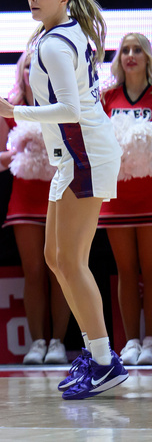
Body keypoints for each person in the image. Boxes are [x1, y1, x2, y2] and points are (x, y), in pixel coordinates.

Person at [0, 0, 127, 400]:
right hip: (73, 153)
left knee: (72, 262)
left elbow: (68, 109)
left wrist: (11, 111)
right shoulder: (68, 28)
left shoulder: (55, 46)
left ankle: (105, 361)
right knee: (55, 259)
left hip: (84, 148)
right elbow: (74, 1)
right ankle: (96, 352)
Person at [0, 50, 69, 365]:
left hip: (60, 196)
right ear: (21, 74)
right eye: (27, 68)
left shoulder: (63, 106)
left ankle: (59, 343)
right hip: (24, 201)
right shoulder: (10, 112)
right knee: (33, 272)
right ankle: (37, 343)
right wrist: (15, 154)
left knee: (60, 270)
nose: (32, 73)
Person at [99, 32, 152, 366]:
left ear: (147, 57)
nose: (130, 55)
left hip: (149, 196)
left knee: (151, 269)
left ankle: (151, 340)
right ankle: (131, 340)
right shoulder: (108, 98)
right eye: (125, 50)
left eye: (138, 50)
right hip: (117, 197)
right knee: (126, 270)